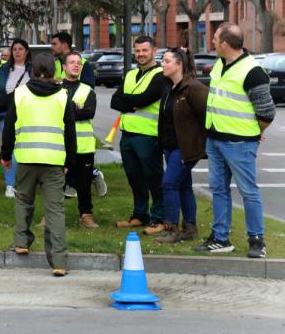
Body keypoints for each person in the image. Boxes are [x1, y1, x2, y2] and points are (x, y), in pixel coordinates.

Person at [195, 25, 274, 257]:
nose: (212, 40)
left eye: (215, 38)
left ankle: (257, 241)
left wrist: (254, 131)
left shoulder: (253, 71)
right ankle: (220, 238)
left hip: (240, 143)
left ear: (225, 44)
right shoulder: (220, 64)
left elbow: (267, 113)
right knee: (218, 190)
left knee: (248, 191)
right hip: (216, 139)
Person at [2, 53, 77, 277]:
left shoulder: (20, 94)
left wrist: (6, 155)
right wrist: (69, 161)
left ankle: (21, 241)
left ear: (32, 71)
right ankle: (59, 261)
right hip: (54, 161)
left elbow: (8, 128)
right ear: (55, 72)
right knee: (55, 209)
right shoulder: (63, 96)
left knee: (23, 201)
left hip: (26, 158)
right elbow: (70, 133)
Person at [111, 36, 167, 235]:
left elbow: (145, 99)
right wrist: (131, 103)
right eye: (138, 50)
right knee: (134, 177)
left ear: (154, 50)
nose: (141, 54)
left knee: (154, 177)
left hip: (148, 136)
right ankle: (140, 215)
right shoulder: (130, 74)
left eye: (145, 50)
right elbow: (114, 101)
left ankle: (159, 218)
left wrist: (129, 102)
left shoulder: (161, 75)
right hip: (128, 135)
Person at [155, 47, 207, 244]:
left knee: (169, 184)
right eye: (163, 60)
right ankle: (190, 228)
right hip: (169, 145)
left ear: (179, 65)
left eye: (167, 61)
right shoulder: (169, 87)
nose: (163, 64)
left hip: (185, 148)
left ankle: (172, 229)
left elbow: (207, 118)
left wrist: (202, 144)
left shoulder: (194, 88)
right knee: (184, 186)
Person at [61, 51, 101, 229]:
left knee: (84, 184)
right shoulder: (56, 89)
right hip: (60, 146)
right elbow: (55, 113)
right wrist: (75, 108)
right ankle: (51, 216)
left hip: (83, 146)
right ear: (64, 67)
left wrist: (67, 110)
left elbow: (88, 112)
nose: (76, 65)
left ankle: (86, 215)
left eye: (78, 63)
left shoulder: (87, 90)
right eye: (71, 62)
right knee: (56, 183)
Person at [0, 38, 32, 198]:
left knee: (25, 148)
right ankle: (10, 185)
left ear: (27, 51)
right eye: (15, 49)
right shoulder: (4, 69)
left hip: (28, 114)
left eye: (21, 49)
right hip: (6, 114)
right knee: (10, 148)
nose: (18, 52)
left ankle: (26, 182)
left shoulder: (32, 70)